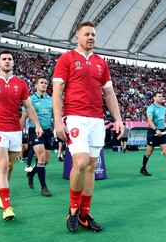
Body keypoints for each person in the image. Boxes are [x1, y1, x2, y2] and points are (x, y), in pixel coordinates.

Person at [52, 21, 124, 233]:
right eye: (86, 34)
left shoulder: (101, 63)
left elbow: (109, 94)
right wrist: (58, 121)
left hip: (97, 120)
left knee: (92, 166)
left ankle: (85, 214)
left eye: (93, 34)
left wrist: (118, 119)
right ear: (77, 37)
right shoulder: (66, 59)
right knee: (81, 162)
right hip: (75, 118)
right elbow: (57, 92)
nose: (91, 37)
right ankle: (73, 209)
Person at [0, 49, 43, 221]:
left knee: (11, 166)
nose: (7, 61)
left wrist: (36, 124)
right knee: (4, 165)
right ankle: (7, 206)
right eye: (4, 59)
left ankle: (1, 193)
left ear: (13, 63)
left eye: (10, 59)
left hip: (15, 130)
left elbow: (28, 106)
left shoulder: (20, 83)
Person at [21, 76, 53, 197]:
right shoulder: (30, 99)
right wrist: (20, 133)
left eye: (45, 83)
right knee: (41, 156)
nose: (44, 84)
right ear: (36, 85)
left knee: (46, 161)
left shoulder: (50, 99)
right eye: (41, 83)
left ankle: (31, 174)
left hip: (48, 131)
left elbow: (54, 115)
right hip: (35, 130)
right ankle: (44, 187)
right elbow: (24, 116)